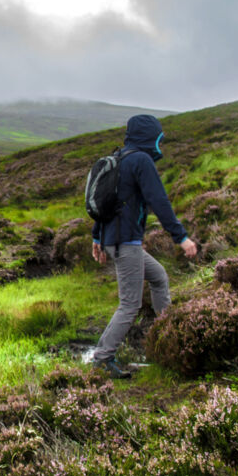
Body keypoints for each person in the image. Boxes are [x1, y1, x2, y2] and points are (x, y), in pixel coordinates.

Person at [90, 114, 197, 379]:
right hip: (126, 243)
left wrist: (96, 237)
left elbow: (107, 205)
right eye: (159, 139)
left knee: (159, 277)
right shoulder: (141, 160)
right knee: (129, 305)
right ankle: (103, 359)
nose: (161, 144)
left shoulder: (120, 159)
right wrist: (181, 237)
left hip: (117, 241)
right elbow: (159, 200)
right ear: (150, 137)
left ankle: (166, 336)